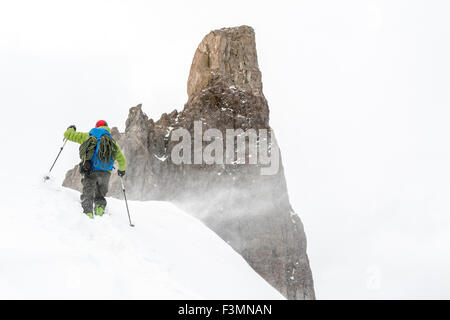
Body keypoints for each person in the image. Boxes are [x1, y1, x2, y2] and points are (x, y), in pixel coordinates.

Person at [64, 120, 127, 219]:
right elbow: (122, 160)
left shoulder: (89, 136)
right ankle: (100, 209)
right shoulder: (112, 142)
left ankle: (88, 213)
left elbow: (68, 135)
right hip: (106, 172)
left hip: (91, 170)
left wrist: (71, 129)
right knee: (100, 194)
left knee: (88, 192)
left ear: (96, 126)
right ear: (107, 128)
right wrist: (121, 170)